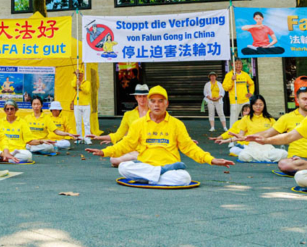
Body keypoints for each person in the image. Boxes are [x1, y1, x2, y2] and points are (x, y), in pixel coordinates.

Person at [87, 85, 234, 185]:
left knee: (184, 177)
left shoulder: (177, 124)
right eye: (153, 101)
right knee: (123, 167)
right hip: (146, 164)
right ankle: (157, 174)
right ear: (149, 104)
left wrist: (211, 160)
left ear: (166, 104)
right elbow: (126, 144)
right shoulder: (138, 124)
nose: (157, 104)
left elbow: (189, 147)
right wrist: (104, 152)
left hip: (169, 166)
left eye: (160, 101)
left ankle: (148, 177)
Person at [248, 84, 307, 174]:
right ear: (297, 100)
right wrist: (240, 138)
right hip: (297, 159)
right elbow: (268, 133)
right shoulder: (287, 117)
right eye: (304, 99)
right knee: (283, 164)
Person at [88, 84, 151, 167]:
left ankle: (142, 161)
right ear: (136, 97)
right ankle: (143, 161)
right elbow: (118, 134)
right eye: (139, 96)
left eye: (144, 96)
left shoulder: (154, 113)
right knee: (113, 159)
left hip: (150, 148)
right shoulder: (128, 115)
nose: (142, 99)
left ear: (149, 97)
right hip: (134, 149)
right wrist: (99, 137)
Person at [215, 95, 286, 162]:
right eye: (255, 104)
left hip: (266, 145)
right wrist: (226, 141)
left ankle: (259, 157)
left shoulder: (270, 119)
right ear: (252, 105)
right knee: (243, 156)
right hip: (252, 146)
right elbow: (241, 137)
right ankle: (264, 158)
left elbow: (278, 135)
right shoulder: (246, 119)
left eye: (260, 105)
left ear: (264, 106)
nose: (258, 106)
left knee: (283, 154)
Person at [222, 59, 254, 123]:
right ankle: (232, 132)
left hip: (245, 100)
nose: (238, 65)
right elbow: (226, 88)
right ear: (232, 65)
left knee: (247, 119)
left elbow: (251, 84)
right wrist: (231, 80)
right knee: (234, 119)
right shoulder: (229, 75)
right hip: (235, 101)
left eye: (240, 63)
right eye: (236, 63)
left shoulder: (245, 74)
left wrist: (251, 92)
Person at [71, 69, 93, 144]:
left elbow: (86, 91)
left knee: (86, 122)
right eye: (77, 74)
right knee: (78, 122)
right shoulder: (75, 80)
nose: (79, 76)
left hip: (86, 104)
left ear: (83, 74)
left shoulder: (87, 82)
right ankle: (79, 138)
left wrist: (80, 85)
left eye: (80, 74)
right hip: (77, 104)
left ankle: (87, 137)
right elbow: (73, 85)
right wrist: (76, 78)